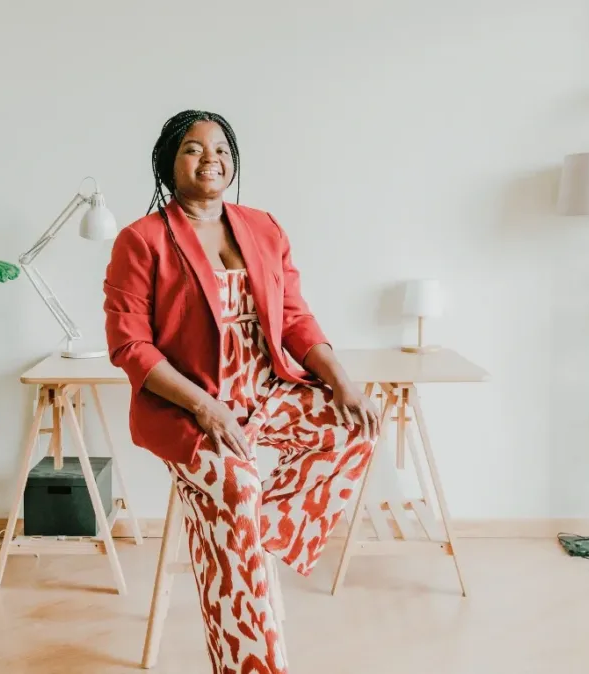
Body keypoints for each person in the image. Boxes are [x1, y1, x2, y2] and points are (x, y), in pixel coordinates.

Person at [103, 110, 381, 674]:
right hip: (192, 410)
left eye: (222, 148)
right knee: (235, 486)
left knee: (353, 426)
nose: (211, 158)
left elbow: (295, 319)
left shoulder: (263, 227)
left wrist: (343, 383)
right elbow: (130, 348)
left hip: (267, 393)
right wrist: (206, 408)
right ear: (167, 162)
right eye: (192, 148)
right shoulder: (142, 240)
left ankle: (253, 540)